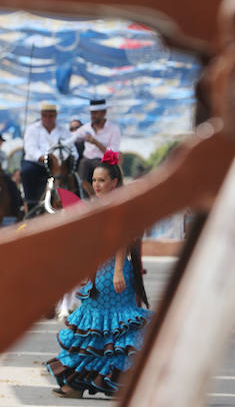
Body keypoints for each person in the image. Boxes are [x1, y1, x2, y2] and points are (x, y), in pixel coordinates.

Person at [46, 150, 151, 398]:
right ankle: (77, 384)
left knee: (111, 327)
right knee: (96, 327)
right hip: (98, 272)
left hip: (113, 272)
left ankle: (107, 383)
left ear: (114, 182)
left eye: (102, 180)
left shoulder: (119, 204)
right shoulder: (100, 205)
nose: (97, 185)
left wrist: (116, 271)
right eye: (94, 180)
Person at [20, 102, 76, 216]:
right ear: (41, 115)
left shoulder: (63, 131)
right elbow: (30, 149)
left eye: (51, 115)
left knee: (72, 176)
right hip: (36, 163)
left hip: (59, 165)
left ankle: (75, 200)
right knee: (26, 172)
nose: (48, 118)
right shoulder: (32, 129)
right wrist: (46, 158)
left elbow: (73, 150)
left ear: (55, 116)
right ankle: (31, 206)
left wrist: (64, 160)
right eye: (45, 115)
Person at [73, 99, 121, 198]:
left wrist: (96, 142)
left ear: (104, 113)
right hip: (87, 161)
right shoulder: (86, 128)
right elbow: (72, 137)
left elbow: (113, 155)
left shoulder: (113, 129)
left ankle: (101, 196)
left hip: (103, 161)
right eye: (91, 113)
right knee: (82, 168)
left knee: (102, 170)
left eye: (95, 113)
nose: (92, 116)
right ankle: (92, 197)